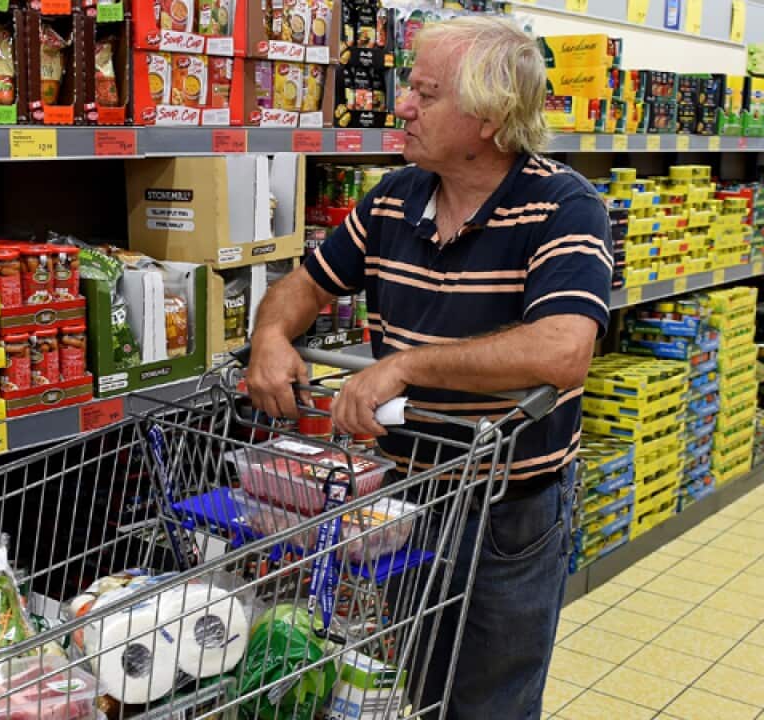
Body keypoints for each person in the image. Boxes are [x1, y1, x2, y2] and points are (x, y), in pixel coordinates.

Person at [246, 16, 611, 719]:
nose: (402, 106)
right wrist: (271, 337)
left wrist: (406, 366)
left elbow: (564, 350)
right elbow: (308, 284)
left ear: (489, 114)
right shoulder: (394, 196)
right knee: (420, 685)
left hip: (506, 508)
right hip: (406, 501)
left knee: (489, 698)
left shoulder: (565, 207)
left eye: (425, 92)